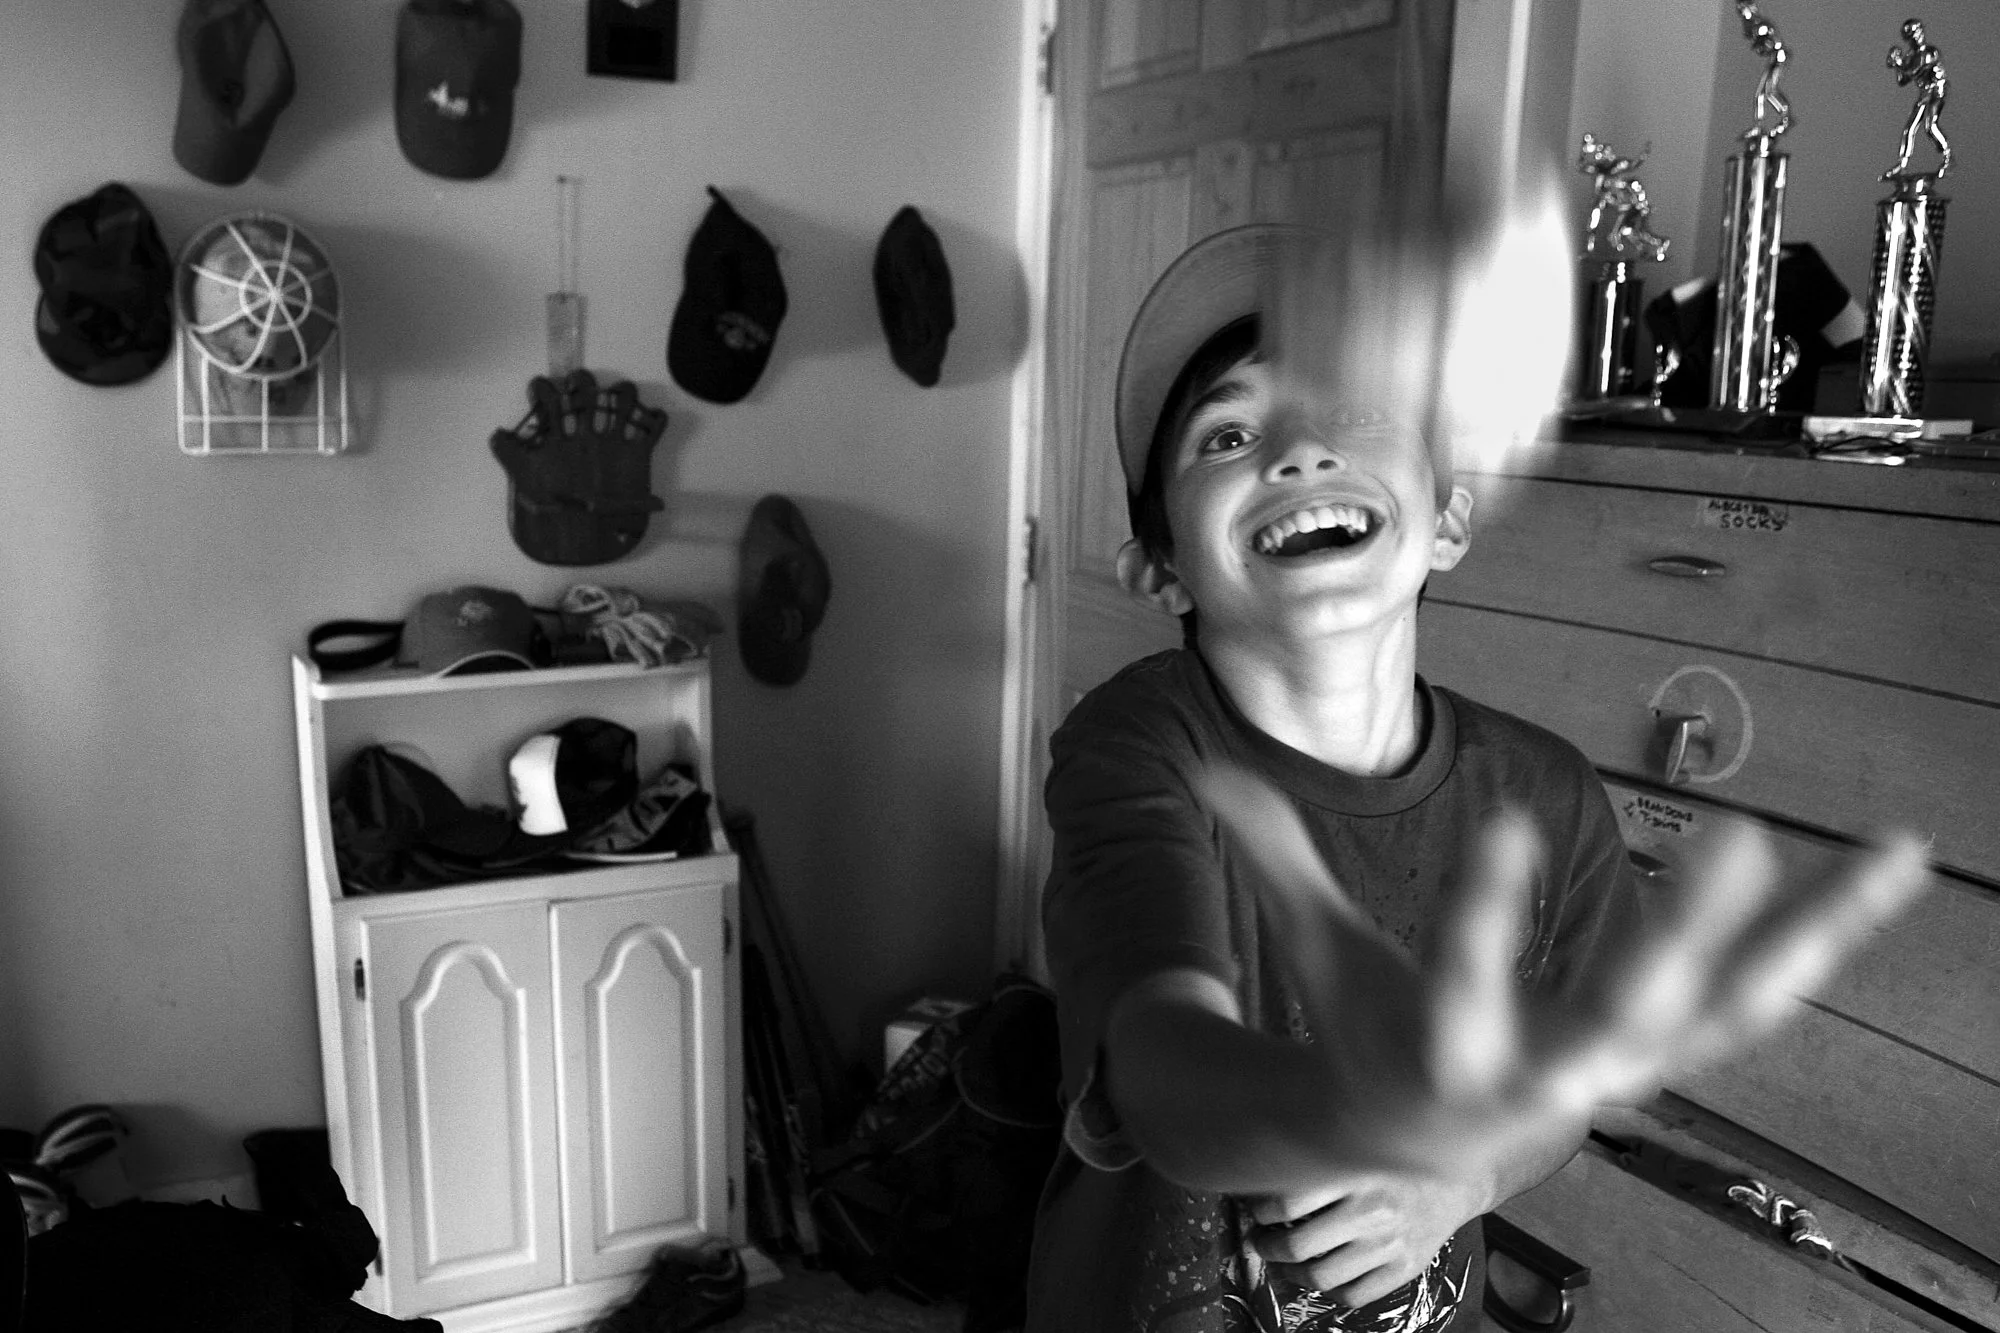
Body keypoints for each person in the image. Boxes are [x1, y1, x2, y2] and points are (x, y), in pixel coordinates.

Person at [1023, 223, 1927, 1332]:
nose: (1299, 453)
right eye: (1229, 433)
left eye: (1354, 415)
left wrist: (1465, 1178)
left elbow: (1565, 1099)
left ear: (1448, 519)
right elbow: (1158, 1060)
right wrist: (1345, 1106)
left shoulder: (1544, 796)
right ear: (1158, 562)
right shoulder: (1138, 747)